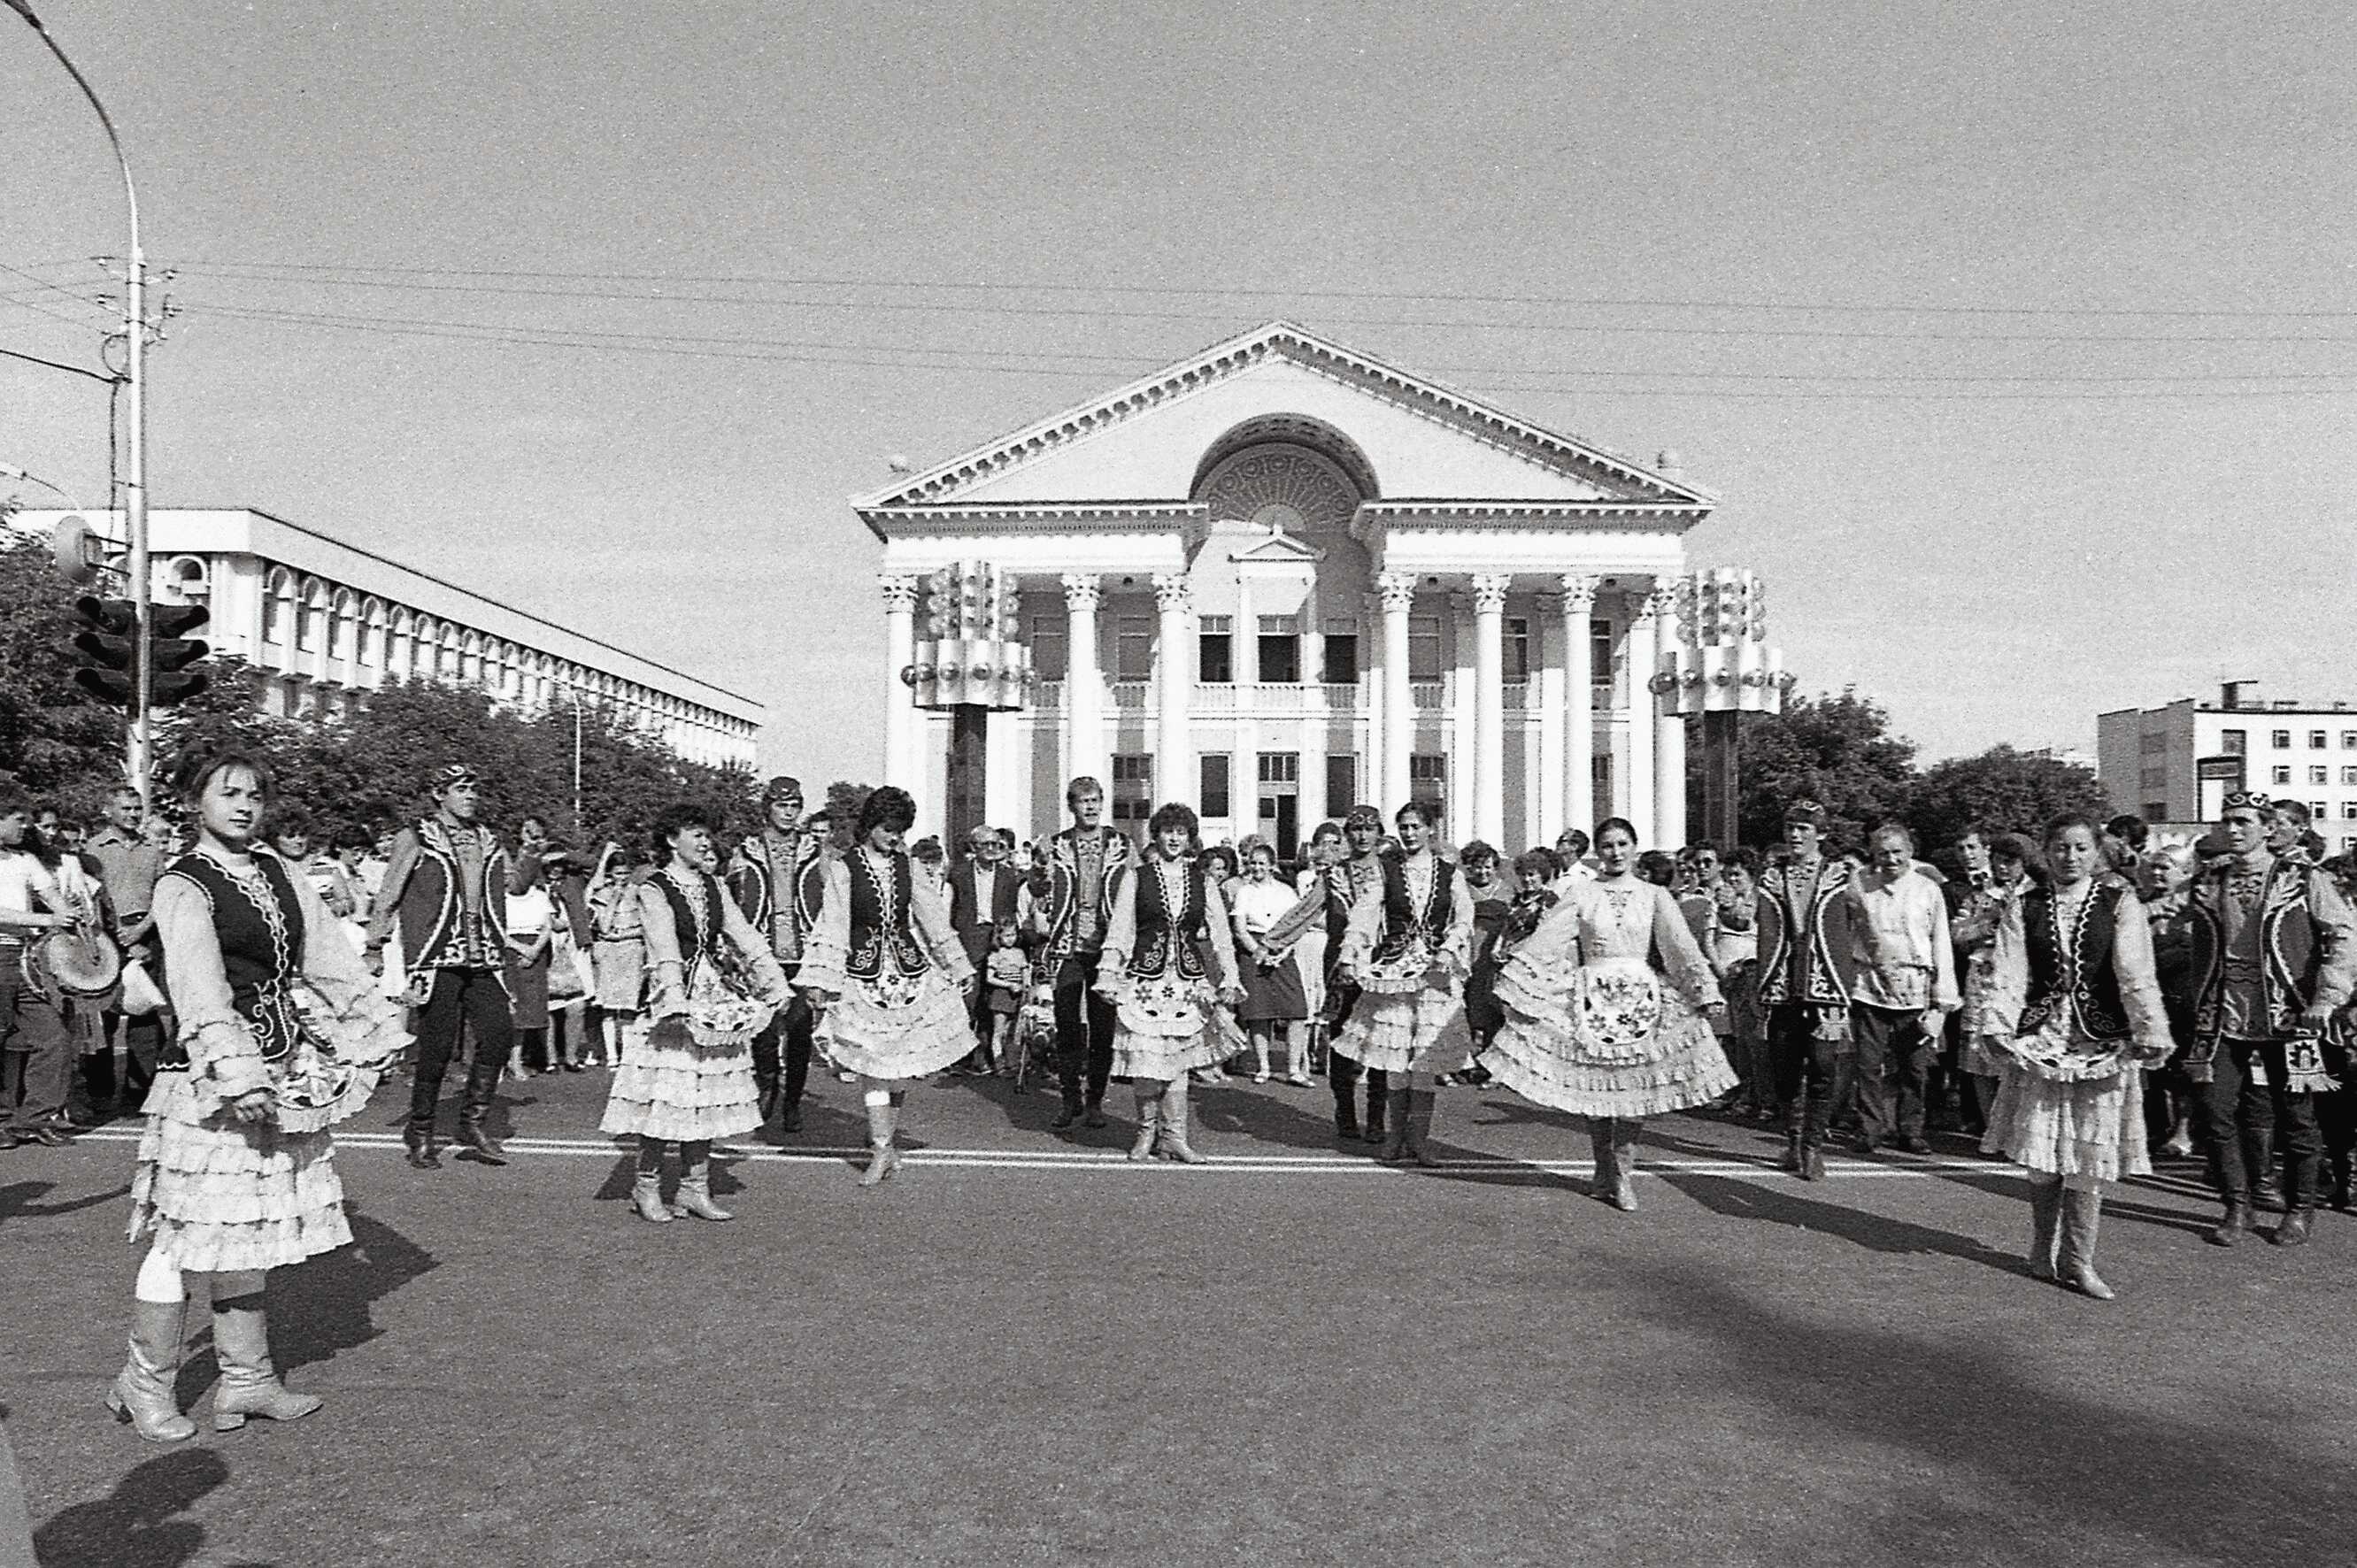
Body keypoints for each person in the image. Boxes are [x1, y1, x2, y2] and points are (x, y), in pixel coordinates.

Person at [110, 748, 405, 1441]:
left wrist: (374, 1032)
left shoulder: (279, 870)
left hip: (283, 1068)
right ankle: (142, 1382)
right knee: (182, 1237)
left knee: (246, 1229)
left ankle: (245, 1381)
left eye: (254, 796)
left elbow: (327, 956)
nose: (243, 806)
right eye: (228, 794)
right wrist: (236, 1073)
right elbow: (197, 986)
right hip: (211, 1080)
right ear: (195, 802)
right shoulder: (185, 884)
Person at [1974, 814, 2173, 1299]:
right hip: (2042, 1039)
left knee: (2088, 1157)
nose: (2071, 857)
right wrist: (1998, 1025)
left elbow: (2135, 970)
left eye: (2081, 848)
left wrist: (2149, 1028)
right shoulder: (2026, 907)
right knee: (2042, 1160)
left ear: (2096, 852)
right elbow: (2009, 971)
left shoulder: (2119, 902)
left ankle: (2079, 1261)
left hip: (2100, 1041)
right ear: (2046, 851)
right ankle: (2042, 1249)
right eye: (2061, 847)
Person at [1487, 817, 1733, 1210]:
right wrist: (1521, 981)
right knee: (1596, 1088)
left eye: (1622, 844)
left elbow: (1679, 947)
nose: (1615, 853)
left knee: (1634, 1089)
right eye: (1607, 846)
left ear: (1634, 847)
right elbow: (1549, 939)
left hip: (1642, 999)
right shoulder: (1582, 893)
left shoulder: (1655, 895)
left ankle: (1623, 1175)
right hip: (1592, 998)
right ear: (1596, 852)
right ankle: (1602, 1169)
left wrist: (1702, 989)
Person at [2175, 790, 2357, 1247]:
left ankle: (2299, 1209)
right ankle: (2237, 1206)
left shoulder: (2302, 877)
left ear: (2266, 828)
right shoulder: (2210, 880)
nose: (2233, 830)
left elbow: (2343, 932)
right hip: (2223, 1016)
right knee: (2214, 1112)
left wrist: (2325, 999)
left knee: (2297, 1116)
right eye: (2227, 822)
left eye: (2244, 822)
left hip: (2292, 1015)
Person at [600, 803, 792, 1224]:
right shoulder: (654, 887)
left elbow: (743, 935)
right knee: (665, 1098)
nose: (705, 841)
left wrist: (775, 983)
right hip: (675, 1003)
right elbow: (663, 947)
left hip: (714, 1001)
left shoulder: (713, 885)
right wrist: (672, 1002)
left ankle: (693, 1189)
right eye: (695, 833)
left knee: (704, 1097)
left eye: (707, 833)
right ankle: (646, 1187)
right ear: (672, 840)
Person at [798, 787, 977, 1184]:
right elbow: (833, 924)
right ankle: (880, 1149)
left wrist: (959, 966)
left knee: (897, 1067)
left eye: (900, 830)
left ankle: (887, 1145)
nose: (895, 837)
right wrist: (821, 979)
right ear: (870, 825)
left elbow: (932, 918)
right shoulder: (845, 868)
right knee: (873, 1066)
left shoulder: (908, 866)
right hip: (863, 976)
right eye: (888, 829)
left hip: (908, 973)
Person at [366, 763, 517, 1169]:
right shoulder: (416, 836)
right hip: (436, 954)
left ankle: (472, 1121)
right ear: (440, 795)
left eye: (474, 790)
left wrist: (533, 855)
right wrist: (375, 943)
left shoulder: (487, 839)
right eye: (462, 789)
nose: (471, 796)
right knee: (436, 1046)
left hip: (481, 954)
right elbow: (391, 890)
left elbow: (513, 887)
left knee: (500, 1031)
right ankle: (421, 1129)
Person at [1098, 803, 1244, 1161]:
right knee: (1147, 1060)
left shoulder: (1203, 880)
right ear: (1157, 835)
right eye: (1168, 831)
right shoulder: (1137, 876)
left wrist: (1230, 976)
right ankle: (1146, 1132)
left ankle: (1174, 1137)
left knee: (1178, 1061)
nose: (1174, 838)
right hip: (1145, 979)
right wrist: (1109, 973)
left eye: (1181, 832)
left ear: (1190, 837)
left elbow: (1221, 934)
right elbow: (1121, 927)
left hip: (1187, 981)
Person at [1330, 801, 1474, 1165]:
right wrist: (1350, 954)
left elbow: (1462, 918)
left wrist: (1449, 950)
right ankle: (1394, 1137)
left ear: (1430, 830)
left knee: (1423, 1060)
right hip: (1394, 973)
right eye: (1404, 827)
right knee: (1395, 1058)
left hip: (1434, 974)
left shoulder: (1449, 872)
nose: (1409, 833)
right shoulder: (1385, 870)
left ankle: (1420, 1141)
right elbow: (1365, 914)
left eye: (1415, 827)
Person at [1842, 822, 1961, 1156]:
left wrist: (1943, 999)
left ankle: (1911, 1129)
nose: (1891, 859)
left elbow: (1941, 942)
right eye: (1883, 853)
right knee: (1867, 1064)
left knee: (1914, 1066)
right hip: (1870, 985)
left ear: (1909, 852)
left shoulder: (1927, 889)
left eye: (1897, 852)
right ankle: (1870, 1129)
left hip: (1915, 988)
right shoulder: (1860, 887)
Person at [1024, 778, 1134, 1133]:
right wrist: (1039, 866)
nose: (1090, 807)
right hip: (1067, 945)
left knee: (1103, 1028)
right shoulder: (1057, 845)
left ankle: (1096, 1100)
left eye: (1095, 801)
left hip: (1107, 947)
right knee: (1068, 1024)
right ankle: (1070, 1098)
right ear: (1071, 806)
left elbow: (1130, 890)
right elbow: (1039, 890)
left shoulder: (1120, 842)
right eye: (1083, 801)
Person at [1754, 800, 1856, 1180]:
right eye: (1790, 828)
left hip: (1825, 985)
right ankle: (1794, 1140)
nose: (1795, 836)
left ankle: (1813, 1146)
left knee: (1823, 1066)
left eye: (1804, 829)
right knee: (1783, 1068)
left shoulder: (1842, 875)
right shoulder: (1771, 876)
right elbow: (1763, 928)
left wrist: (1849, 970)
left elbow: (1861, 924)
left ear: (1821, 834)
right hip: (1782, 984)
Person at [726, 777, 827, 1132]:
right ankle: (767, 1084)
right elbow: (731, 899)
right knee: (763, 1030)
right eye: (782, 805)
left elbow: (829, 900)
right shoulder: (745, 850)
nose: (789, 812)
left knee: (800, 1031)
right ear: (767, 807)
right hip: (760, 952)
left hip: (803, 953)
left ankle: (794, 1102)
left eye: (795, 806)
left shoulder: (815, 850)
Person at [0, 790, 83, 1149]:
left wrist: (72, 916)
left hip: (25, 959)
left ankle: (31, 1119)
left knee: (54, 1039)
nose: (26, 825)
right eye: (18, 819)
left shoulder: (26, 859)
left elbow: (53, 897)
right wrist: (47, 918)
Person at [86, 785, 168, 1115]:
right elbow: (91, 900)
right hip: (107, 938)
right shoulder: (94, 849)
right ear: (109, 812)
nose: (133, 814)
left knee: (144, 1014)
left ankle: (141, 1090)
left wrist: (141, 933)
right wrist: (120, 941)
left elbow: (162, 893)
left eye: (137, 809)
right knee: (101, 1018)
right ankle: (99, 1092)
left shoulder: (151, 848)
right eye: (126, 809)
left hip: (145, 933)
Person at [1954, 833, 2043, 1140]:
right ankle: (1992, 1125)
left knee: (2020, 1052)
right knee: (1979, 1054)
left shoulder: (2039, 893)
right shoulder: (1980, 894)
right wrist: (1986, 923)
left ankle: (2021, 1126)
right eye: (1998, 861)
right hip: (1984, 978)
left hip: (2026, 982)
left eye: (2011, 861)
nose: (2003, 867)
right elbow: (1958, 933)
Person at [1226, 836, 1312, 1085]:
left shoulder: (1286, 891)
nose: (1257, 868)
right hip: (1254, 952)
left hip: (1283, 952)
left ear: (1272, 865)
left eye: (1262, 863)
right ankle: (1263, 1067)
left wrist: (1283, 951)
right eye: (1253, 863)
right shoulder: (1244, 892)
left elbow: (1296, 925)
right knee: (1259, 1013)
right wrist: (1259, 953)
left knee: (1297, 1011)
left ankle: (1294, 1068)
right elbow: (1240, 929)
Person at [947, 826, 1021, 1073]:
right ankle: (962, 1056)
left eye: (996, 844)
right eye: (985, 844)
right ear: (974, 847)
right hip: (970, 936)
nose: (991, 849)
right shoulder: (958, 875)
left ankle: (992, 1055)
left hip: (1000, 937)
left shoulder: (1010, 876)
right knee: (969, 998)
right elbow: (951, 909)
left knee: (998, 999)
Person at [1706, 849, 1768, 1119]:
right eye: (1728, 874)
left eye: (1737, 874)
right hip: (1728, 977)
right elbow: (1708, 938)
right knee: (1736, 1040)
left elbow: (1745, 922)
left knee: (1755, 1039)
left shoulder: (1760, 899)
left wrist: (1731, 905)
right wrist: (1721, 971)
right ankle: (1740, 1091)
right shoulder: (1718, 899)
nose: (1731, 880)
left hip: (1753, 975)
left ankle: (1763, 1096)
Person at [587, 841, 649, 1069]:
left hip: (632, 949)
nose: (621, 877)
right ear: (610, 874)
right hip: (610, 951)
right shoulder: (603, 893)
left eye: (625, 873)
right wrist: (613, 899)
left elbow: (645, 923)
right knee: (609, 1006)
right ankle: (612, 1055)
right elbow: (603, 926)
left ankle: (628, 1054)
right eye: (617, 873)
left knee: (630, 1005)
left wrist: (629, 932)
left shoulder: (638, 892)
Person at [504, 853, 558, 1075]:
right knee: (513, 1008)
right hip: (510, 951)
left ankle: (530, 1058)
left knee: (532, 1010)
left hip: (537, 953)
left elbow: (547, 927)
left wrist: (534, 950)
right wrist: (521, 949)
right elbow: (498, 930)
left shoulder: (540, 896)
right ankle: (512, 1062)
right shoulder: (500, 898)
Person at [982, 920, 1029, 1075]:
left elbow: (1024, 972)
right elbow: (989, 978)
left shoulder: (1019, 953)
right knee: (999, 1031)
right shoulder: (996, 954)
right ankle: (998, 1063)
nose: (1011, 938)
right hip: (1001, 994)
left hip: (1017, 995)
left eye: (1014, 935)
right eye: (1007, 935)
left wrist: (1026, 984)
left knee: (1013, 1031)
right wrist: (1008, 985)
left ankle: (1012, 1062)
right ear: (999, 936)